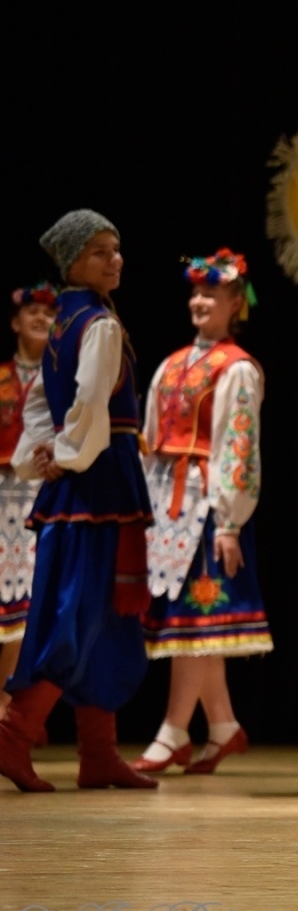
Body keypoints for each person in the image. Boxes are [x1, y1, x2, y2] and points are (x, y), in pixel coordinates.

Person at [0, 211, 157, 793]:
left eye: (116, 249)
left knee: (102, 616)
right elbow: (89, 405)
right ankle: (14, 734)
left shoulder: (69, 319)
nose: (113, 260)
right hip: (98, 482)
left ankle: (99, 752)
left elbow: (41, 403)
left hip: (80, 477)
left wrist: (40, 453)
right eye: (98, 251)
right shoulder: (96, 325)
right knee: (76, 612)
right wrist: (61, 453)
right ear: (70, 262)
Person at [133, 249, 271, 775]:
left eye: (211, 294)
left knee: (194, 622)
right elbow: (149, 439)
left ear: (236, 303)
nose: (199, 302)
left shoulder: (237, 369)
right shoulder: (171, 364)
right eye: (195, 293)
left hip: (209, 506)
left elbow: (240, 446)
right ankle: (223, 725)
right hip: (167, 504)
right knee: (195, 623)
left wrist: (230, 521)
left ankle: (172, 732)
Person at [0, 282, 57, 711]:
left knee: (27, 603)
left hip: (41, 495)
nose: (40, 318)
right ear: (16, 321)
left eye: (49, 313)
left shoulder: (61, 379)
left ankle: (8, 708)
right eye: (32, 311)